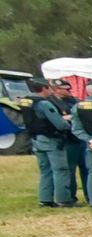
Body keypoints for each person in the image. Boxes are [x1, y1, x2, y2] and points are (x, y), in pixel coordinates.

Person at [22, 78, 75, 207]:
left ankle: (45, 199)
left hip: (36, 139)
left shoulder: (26, 101)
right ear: (44, 89)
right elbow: (60, 124)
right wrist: (69, 122)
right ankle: (64, 199)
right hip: (51, 139)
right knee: (60, 170)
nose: (51, 91)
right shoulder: (44, 104)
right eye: (49, 88)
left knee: (45, 170)